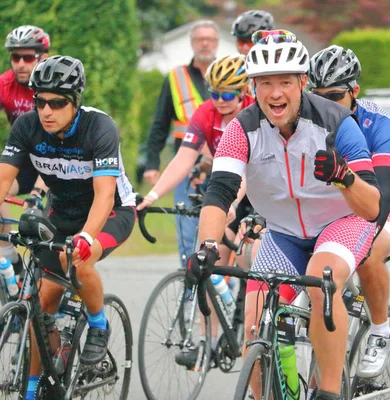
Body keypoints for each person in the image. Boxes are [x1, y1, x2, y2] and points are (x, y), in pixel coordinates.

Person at [185, 30, 383, 400]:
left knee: (322, 281)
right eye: (265, 83)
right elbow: (219, 192)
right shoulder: (240, 130)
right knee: (256, 317)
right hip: (283, 232)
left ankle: (328, 391)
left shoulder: (336, 122)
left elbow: (372, 206)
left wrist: (343, 176)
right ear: (253, 87)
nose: (275, 93)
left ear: (303, 82)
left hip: (341, 223)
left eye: (285, 82)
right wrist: (207, 244)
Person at [0, 55, 136, 399]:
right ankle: (33, 388)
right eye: (40, 101)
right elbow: (4, 180)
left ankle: (98, 324)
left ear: (75, 102)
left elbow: (105, 194)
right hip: (62, 213)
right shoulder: (27, 127)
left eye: (58, 103)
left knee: (78, 259)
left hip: (111, 213)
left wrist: (87, 237)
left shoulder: (99, 127)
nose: (47, 110)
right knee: (41, 304)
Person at [307, 45, 390, 377]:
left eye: (334, 95)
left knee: (369, 253)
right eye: (317, 96)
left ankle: (381, 329)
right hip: (346, 203)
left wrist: (363, 235)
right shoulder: (306, 120)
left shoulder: (380, 123)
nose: (325, 105)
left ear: (354, 91)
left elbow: (383, 189)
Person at [137, 54, 254, 365]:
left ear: (243, 92)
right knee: (209, 262)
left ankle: (257, 330)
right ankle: (208, 342)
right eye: (214, 93)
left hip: (258, 188)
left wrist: (232, 203)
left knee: (251, 256)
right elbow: (183, 159)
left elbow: (246, 172)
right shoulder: (206, 112)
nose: (219, 101)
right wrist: (153, 194)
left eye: (227, 95)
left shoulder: (255, 113)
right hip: (226, 186)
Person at [143, 20, 219, 268]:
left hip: (223, 168)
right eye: (200, 39)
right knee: (187, 236)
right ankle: (189, 297)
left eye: (210, 39)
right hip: (185, 168)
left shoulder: (229, 77)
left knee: (221, 237)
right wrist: (152, 162)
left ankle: (224, 297)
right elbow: (159, 123)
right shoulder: (175, 78)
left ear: (216, 43)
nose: (205, 43)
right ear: (192, 43)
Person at [0, 25, 51, 273]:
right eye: (15, 57)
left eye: (28, 57)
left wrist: (36, 195)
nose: (20, 63)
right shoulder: (5, 84)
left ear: (43, 57)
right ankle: (9, 255)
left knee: (44, 230)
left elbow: (57, 152)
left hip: (58, 163)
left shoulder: (53, 84)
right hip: (26, 160)